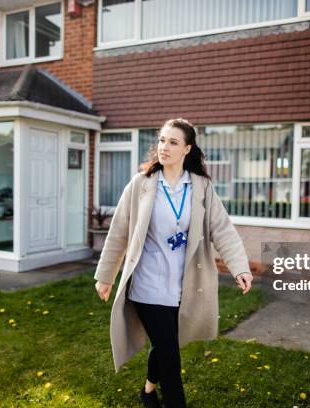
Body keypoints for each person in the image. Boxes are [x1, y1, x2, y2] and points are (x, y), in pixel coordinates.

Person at [94, 118, 253, 408]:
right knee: (170, 354)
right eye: (161, 140)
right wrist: (105, 275)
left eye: (173, 142)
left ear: (187, 149)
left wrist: (239, 266)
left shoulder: (201, 187)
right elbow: (119, 231)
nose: (164, 147)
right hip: (147, 285)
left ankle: (147, 390)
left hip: (184, 286)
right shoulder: (141, 184)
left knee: (167, 344)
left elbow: (222, 229)